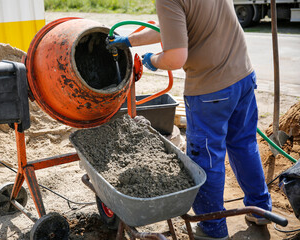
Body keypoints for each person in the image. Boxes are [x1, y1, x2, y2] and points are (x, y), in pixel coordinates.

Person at [108, 0, 272, 239]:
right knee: (243, 144)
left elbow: (175, 57)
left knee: (207, 157)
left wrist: (152, 60)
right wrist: (130, 41)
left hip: (211, 91)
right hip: (243, 75)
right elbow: (177, 27)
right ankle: (260, 210)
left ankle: (212, 228)